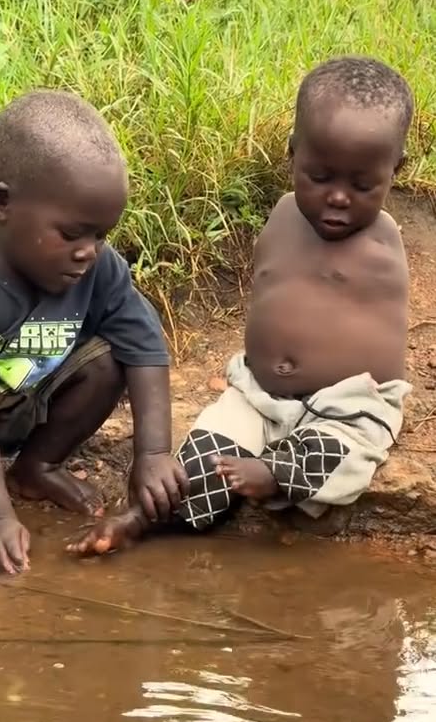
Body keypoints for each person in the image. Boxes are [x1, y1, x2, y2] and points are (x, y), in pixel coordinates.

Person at [69, 55, 413, 555]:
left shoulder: (383, 241)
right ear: (293, 154)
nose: (338, 198)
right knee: (204, 453)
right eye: (320, 177)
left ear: (395, 171)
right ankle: (138, 520)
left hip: (348, 406)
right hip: (257, 394)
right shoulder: (282, 215)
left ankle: (276, 473)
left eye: (361, 186)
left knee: (341, 456)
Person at [0, 90, 187, 573]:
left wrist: (153, 454)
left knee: (114, 355)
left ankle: (37, 466)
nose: (88, 251)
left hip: (26, 396)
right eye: (72, 234)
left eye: (101, 235)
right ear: (1, 205)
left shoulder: (100, 269)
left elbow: (146, 350)